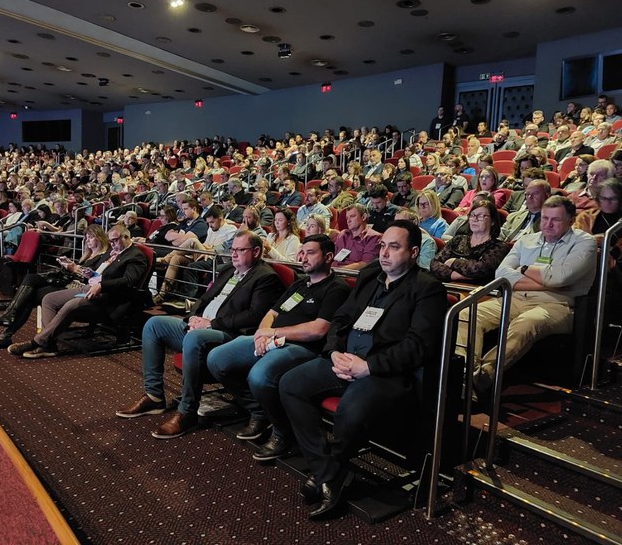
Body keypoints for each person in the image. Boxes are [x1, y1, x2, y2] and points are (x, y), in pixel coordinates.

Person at [278, 222, 447, 518]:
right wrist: (333, 353)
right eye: (382, 246)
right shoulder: (370, 276)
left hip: (385, 372)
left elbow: (418, 346)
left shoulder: (427, 288)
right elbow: (341, 320)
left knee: (349, 410)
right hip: (344, 360)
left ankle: (328, 473)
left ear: (414, 252)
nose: (384, 253)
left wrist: (368, 366)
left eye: (394, 247)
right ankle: (329, 472)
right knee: (290, 384)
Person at [115, 231, 284, 439]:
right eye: (232, 250)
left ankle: (187, 412)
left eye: (240, 250)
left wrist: (210, 323)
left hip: (228, 335)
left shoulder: (266, 277)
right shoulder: (229, 270)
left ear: (256, 251)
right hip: (202, 326)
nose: (234, 255)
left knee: (194, 338)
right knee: (154, 324)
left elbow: (253, 316)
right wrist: (193, 318)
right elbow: (204, 298)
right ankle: (154, 396)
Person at [206, 235, 351, 460]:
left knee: (259, 375)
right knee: (217, 358)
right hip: (271, 339)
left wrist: (272, 333)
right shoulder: (300, 283)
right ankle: (259, 411)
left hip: (303, 347)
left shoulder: (337, 288)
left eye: (310, 252)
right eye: (301, 252)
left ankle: (282, 431)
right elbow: (271, 314)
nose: (303, 257)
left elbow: (318, 329)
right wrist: (261, 335)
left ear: (329, 257)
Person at [462, 196, 597, 393]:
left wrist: (523, 269)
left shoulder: (584, 242)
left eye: (556, 220)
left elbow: (560, 277)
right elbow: (502, 273)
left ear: (570, 220)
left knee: (527, 323)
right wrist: (548, 282)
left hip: (557, 306)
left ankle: (480, 379)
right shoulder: (526, 240)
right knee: (467, 313)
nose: (548, 224)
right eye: (544, 218)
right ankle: (465, 372)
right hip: (514, 298)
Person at [7, 224, 149, 358]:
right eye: (110, 241)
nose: (112, 244)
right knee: (49, 299)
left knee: (71, 305)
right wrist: (90, 274)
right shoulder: (112, 252)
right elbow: (101, 273)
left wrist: (102, 286)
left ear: (126, 237)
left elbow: (128, 281)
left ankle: (37, 342)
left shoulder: (135, 255)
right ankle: (49, 345)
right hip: (91, 288)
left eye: (115, 240)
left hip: (110, 298)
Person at [0, 224, 110, 349]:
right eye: (86, 237)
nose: (87, 241)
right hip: (68, 283)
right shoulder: (87, 255)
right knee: (31, 285)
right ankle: (10, 327)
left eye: (91, 237)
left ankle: (9, 327)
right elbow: (79, 271)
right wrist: (68, 265)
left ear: (99, 238)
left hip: (77, 288)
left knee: (31, 293)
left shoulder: (104, 256)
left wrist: (75, 269)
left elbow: (94, 278)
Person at [430, 200, 510, 284]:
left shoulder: (499, 247)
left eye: (480, 216)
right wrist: (453, 275)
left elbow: (479, 269)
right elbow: (434, 264)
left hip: (478, 293)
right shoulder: (458, 239)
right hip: (447, 288)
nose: (474, 219)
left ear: (493, 221)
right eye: (472, 215)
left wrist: (453, 262)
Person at [499, 179, 551, 243]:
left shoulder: (549, 222)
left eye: (535, 194)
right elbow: (500, 237)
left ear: (547, 196)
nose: (530, 197)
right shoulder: (513, 217)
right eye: (527, 194)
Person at [332, 204, 381, 269]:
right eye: (347, 218)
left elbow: (366, 263)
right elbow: (332, 257)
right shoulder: (343, 234)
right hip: (332, 272)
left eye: (352, 216)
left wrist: (339, 270)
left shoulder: (373, 237)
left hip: (351, 275)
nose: (348, 221)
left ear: (363, 217)